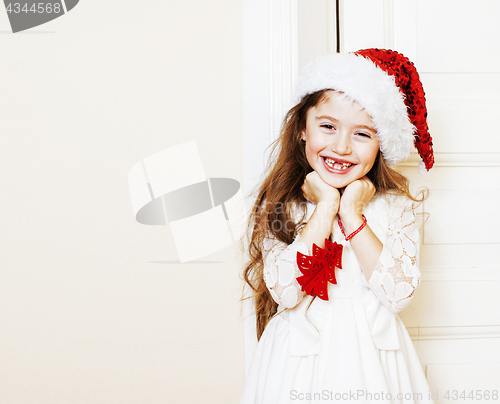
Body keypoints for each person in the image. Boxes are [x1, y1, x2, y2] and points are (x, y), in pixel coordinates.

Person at [240, 49, 435, 404]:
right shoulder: (283, 203)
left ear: (382, 145)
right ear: (302, 128)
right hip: (298, 365)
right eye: (328, 126)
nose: (341, 147)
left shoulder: (395, 207)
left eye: (362, 134)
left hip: (375, 359)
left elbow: (399, 294)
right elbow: (285, 292)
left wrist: (351, 214)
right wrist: (325, 208)